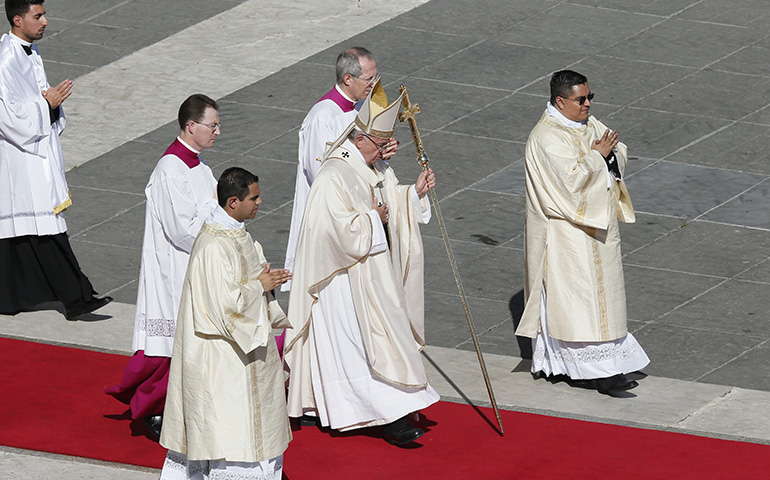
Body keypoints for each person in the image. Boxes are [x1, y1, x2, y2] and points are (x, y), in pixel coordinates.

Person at [284, 78, 439, 446]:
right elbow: (333, 230)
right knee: (361, 348)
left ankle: (374, 410)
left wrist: (411, 194)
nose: (385, 152)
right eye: (380, 145)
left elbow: (384, 201)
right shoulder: (334, 173)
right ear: (359, 140)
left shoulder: (365, 165)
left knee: (375, 343)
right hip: (339, 282)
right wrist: (373, 219)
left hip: (366, 275)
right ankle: (388, 418)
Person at [515, 70, 650, 396]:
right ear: (560, 101)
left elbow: (617, 149)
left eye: (590, 97)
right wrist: (598, 156)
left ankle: (607, 365)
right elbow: (568, 186)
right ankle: (598, 372)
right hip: (566, 235)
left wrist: (609, 155)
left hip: (597, 229)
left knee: (602, 300)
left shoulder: (587, 123)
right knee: (578, 303)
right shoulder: (546, 138)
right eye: (581, 99)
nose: (588, 104)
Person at [159, 167, 292, 480]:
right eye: (254, 198)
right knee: (232, 431)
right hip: (221, 355)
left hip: (244, 348)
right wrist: (260, 285)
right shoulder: (214, 246)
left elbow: (245, 283)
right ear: (233, 202)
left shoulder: (236, 233)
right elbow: (222, 307)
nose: (260, 202)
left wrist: (265, 283)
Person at [105, 94, 220, 437]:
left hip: (195, 264)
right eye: (212, 126)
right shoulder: (171, 169)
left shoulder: (199, 165)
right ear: (191, 126)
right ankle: (155, 410)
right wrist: (214, 209)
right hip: (174, 269)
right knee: (170, 345)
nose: (218, 132)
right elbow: (181, 230)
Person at [0, 0, 112, 319]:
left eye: (44, 14)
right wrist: (45, 104)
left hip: (35, 153)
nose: (45, 21)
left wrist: (51, 103)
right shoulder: (6, 59)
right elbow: (7, 115)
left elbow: (36, 98)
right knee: (45, 229)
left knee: (27, 235)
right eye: (38, 16)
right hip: (20, 158)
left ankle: (15, 298)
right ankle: (76, 298)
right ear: (18, 20)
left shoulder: (30, 52)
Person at [283, 46, 397, 290]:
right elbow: (322, 173)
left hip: (360, 215)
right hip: (333, 220)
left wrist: (382, 153)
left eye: (376, 77)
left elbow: (365, 158)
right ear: (348, 79)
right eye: (369, 79)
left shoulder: (360, 110)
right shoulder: (322, 117)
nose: (374, 85)